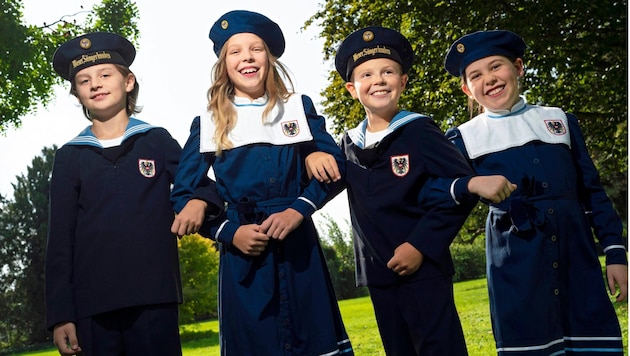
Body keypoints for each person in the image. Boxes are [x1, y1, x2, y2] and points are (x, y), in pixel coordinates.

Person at [307, 26, 516, 356]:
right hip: (378, 273)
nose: (378, 80)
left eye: (388, 71)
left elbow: (462, 191)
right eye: (367, 74)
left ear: (402, 81)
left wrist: (420, 245)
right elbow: (321, 184)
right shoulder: (347, 145)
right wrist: (314, 152)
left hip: (424, 268)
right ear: (351, 88)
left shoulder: (420, 130)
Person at [169, 10, 353, 356]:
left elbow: (337, 168)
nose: (247, 57)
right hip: (243, 255)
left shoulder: (298, 108)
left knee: (311, 339)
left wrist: (300, 204)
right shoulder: (209, 122)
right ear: (224, 65)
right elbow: (182, 192)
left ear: (269, 59)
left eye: (255, 49)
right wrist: (226, 231)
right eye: (235, 51)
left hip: (298, 244)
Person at [443, 30, 628, 355]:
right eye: (476, 75)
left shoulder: (559, 121)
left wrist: (615, 254)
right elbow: (435, 192)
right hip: (516, 271)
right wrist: (469, 184)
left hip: (579, 262)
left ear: (518, 67)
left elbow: (593, 193)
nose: (489, 79)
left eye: (496, 66)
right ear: (465, 88)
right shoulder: (463, 140)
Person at [45, 32, 221, 356]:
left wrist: (198, 201)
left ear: (128, 81)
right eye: (84, 80)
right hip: (92, 308)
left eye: (105, 75)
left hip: (154, 297)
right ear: (77, 94)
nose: (95, 84)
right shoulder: (69, 156)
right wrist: (60, 315)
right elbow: (59, 243)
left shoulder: (155, 140)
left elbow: (203, 184)